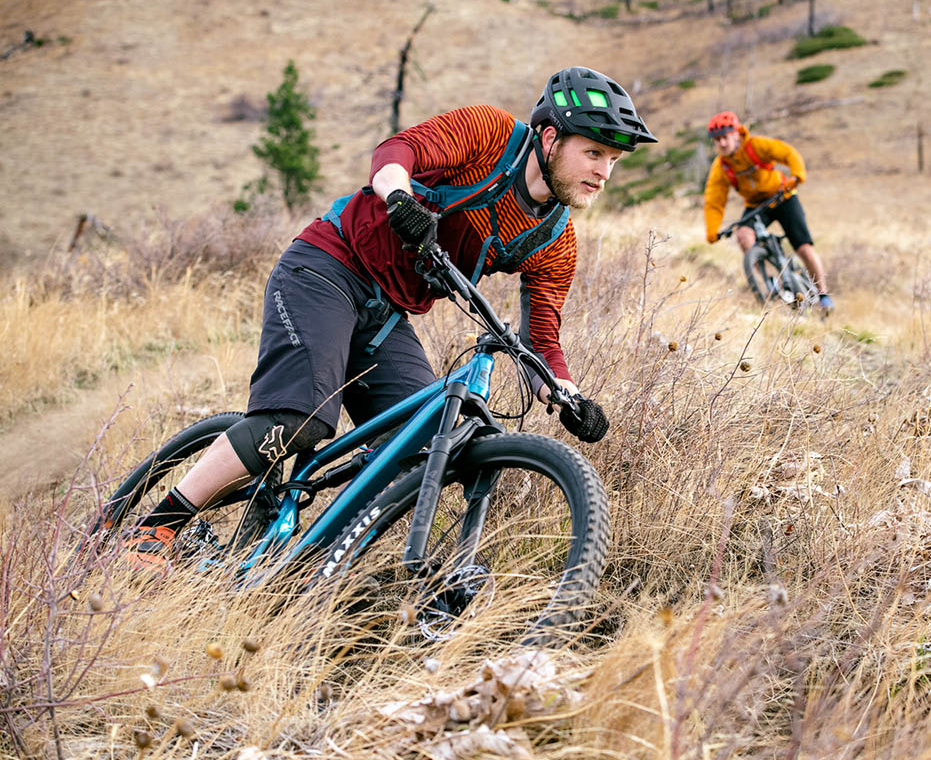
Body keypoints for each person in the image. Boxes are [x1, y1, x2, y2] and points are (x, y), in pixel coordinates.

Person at [123, 66, 656, 568]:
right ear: (549, 138)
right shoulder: (491, 134)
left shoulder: (555, 239)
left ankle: (301, 565)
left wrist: (563, 393)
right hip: (328, 266)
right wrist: (398, 195)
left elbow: (542, 337)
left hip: (385, 318)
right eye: (594, 153)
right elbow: (397, 150)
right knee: (297, 421)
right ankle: (156, 527)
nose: (604, 173)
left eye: (614, 160)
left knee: (418, 447)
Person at [702, 111, 832, 312]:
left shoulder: (756, 146)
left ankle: (823, 294)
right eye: (717, 140)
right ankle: (769, 281)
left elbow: (787, 153)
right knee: (744, 236)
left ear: (736, 133)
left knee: (804, 247)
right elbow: (714, 200)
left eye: (725, 137)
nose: (722, 144)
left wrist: (797, 175)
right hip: (755, 205)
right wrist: (712, 229)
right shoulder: (721, 167)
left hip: (783, 196)